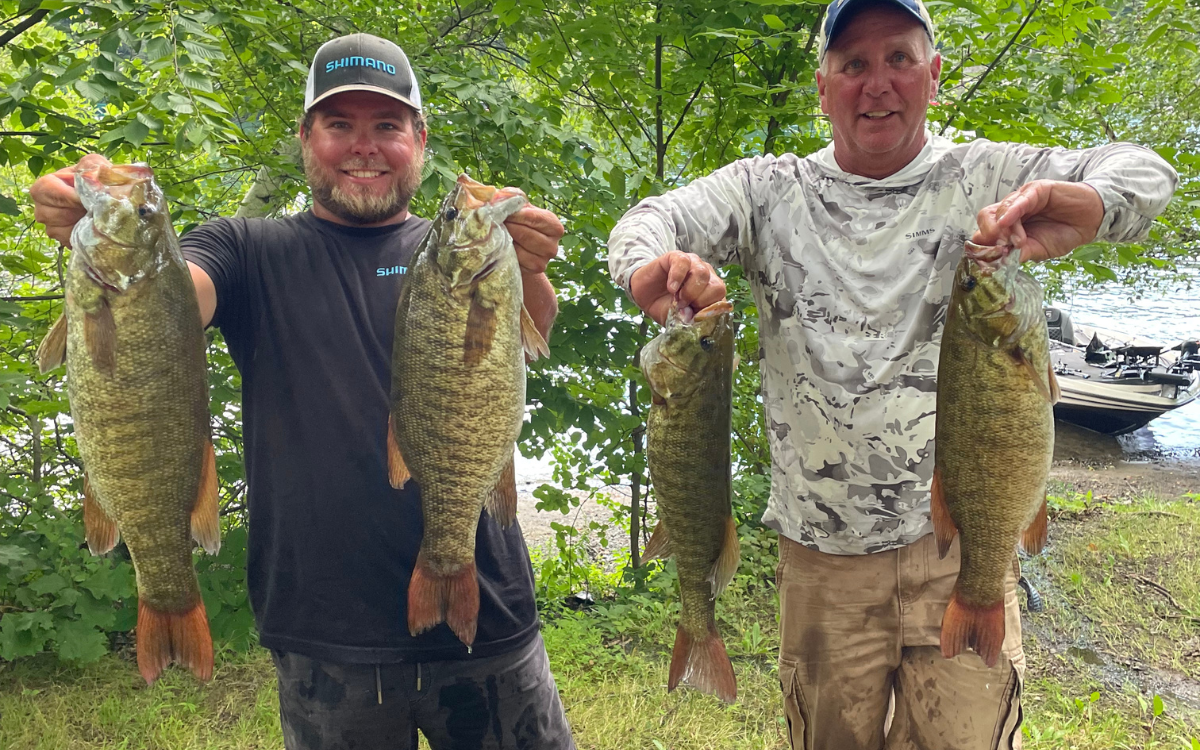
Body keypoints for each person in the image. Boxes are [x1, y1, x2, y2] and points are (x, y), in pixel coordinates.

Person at [606, 0, 1178, 747]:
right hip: (821, 559)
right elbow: (646, 221)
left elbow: (1148, 173)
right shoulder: (767, 190)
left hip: (962, 543)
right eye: (854, 65)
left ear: (934, 75)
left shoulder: (989, 176)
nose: (878, 82)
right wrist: (652, 266)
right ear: (822, 88)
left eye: (899, 59)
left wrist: (1093, 201)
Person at [32, 33, 575, 750]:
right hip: (324, 633)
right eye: (338, 125)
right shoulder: (245, 249)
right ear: (305, 138)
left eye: (386, 126)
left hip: (490, 612)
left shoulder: (451, 253)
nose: (364, 147)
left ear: (419, 137)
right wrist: (97, 236)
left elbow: (530, 333)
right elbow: (175, 302)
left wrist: (530, 267)